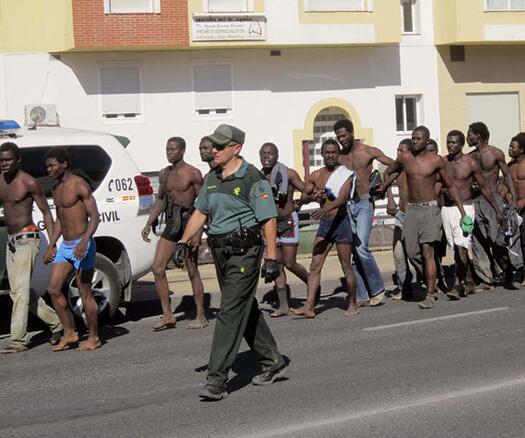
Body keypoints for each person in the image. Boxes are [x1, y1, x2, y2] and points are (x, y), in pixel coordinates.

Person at [175, 124, 287, 401]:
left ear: (235, 148)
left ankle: (217, 380)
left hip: (245, 254)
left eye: (219, 146)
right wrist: (183, 241)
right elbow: (200, 212)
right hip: (220, 253)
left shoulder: (252, 178)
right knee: (243, 307)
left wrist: (272, 257)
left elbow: (268, 219)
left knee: (228, 311)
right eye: (212, 145)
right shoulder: (211, 177)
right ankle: (272, 359)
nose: (213, 150)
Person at [376, 126, 466, 309]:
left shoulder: (436, 161)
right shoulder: (405, 158)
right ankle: (432, 277)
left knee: (427, 251)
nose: (414, 141)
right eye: (413, 138)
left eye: (418, 139)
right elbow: (390, 171)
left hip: (430, 209)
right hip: (411, 211)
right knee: (411, 252)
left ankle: (430, 294)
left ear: (426, 140)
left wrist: (462, 212)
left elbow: (451, 185)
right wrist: (385, 186)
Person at [0, 142, 62, 354]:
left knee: (20, 293)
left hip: (27, 238)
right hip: (11, 241)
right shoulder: (0, 181)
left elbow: (46, 212)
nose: (4, 164)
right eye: (1, 160)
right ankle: (58, 323)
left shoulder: (28, 182)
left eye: (8, 160)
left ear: (18, 160)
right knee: (19, 292)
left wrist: (52, 243)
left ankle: (18, 340)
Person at [141, 137, 207, 330]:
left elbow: (203, 205)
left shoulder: (193, 173)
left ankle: (201, 315)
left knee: (192, 270)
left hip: (189, 223)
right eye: (167, 149)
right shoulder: (164, 174)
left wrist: (198, 233)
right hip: (172, 223)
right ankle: (168, 316)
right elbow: (161, 200)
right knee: (158, 268)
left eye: (173, 149)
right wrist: (149, 222)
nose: (169, 152)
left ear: (182, 151)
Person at [291, 139, 358, 318]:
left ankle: (352, 303)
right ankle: (309, 307)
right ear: (322, 154)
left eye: (333, 152)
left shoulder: (346, 174)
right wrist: (314, 196)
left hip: (341, 223)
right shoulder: (316, 175)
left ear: (338, 155)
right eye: (327, 152)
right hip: (325, 224)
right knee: (315, 265)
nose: (330, 155)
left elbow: (341, 199)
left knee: (346, 265)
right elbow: (304, 196)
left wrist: (324, 208)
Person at [43, 147, 101, 351]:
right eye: (47, 166)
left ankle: (94, 337)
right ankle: (70, 332)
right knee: (53, 289)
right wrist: (51, 245)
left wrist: (85, 242)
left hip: (82, 244)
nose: (49, 169)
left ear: (64, 164)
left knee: (84, 291)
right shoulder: (56, 189)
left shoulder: (78, 184)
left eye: (52, 165)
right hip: (66, 247)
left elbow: (95, 216)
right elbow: (60, 219)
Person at [333, 119, 393, 306]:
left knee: (361, 247)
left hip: (365, 202)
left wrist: (384, 186)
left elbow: (393, 165)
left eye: (344, 135)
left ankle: (378, 289)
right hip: (347, 205)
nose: (341, 139)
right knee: (351, 251)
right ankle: (362, 295)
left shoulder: (368, 151)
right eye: (338, 137)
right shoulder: (340, 157)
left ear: (352, 132)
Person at [442, 130, 503, 299]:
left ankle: (456, 285)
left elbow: (484, 188)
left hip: (466, 210)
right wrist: (443, 191)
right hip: (447, 210)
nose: (450, 145)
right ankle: (469, 281)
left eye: (454, 143)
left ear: (461, 144)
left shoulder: (470, 163)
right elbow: (436, 184)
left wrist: (497, 210)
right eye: (448, 142)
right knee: (456, 249)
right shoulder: (443, 162)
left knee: (462, 247)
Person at [259, 142, 309, 317]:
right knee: (276, 264)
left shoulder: (288, 173)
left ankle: (313, 286)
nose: (266, 157)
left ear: (277, 156)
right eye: (263, 154)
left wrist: (300, 202)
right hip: (269, 224)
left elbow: (307, 190)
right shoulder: (258, 177)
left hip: (288, 221)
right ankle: (283, 305)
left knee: (290, 263)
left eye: (270, 153)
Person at [467, 122, 517, 288]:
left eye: (470, 134)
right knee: (478, 241)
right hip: (475, 200)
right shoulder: (470, 157)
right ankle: (486, 279)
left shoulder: (495, 153)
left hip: (493, 200)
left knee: (497, 240)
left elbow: (507, 176)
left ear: (478, 136)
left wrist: (514, 200)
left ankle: (507, 270)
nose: (468, 137)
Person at [385, 139, 412, 300]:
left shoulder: (415, 168)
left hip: (414, 215)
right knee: (398, 253)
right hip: (401, 215)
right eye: (397, 151)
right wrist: (390, 198)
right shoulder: (398, 169)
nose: (398, 154)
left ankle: (432, 283)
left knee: (417, 255)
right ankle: (404, 287)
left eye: (402, 151)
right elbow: (386, 173)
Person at [507, 132, 525, 281]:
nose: (509, 149)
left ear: (522, 149)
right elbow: (505, 187)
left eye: (513, 147)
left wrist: (521, 202)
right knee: (513, 240)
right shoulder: (509, 166)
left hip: (523, 206)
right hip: (514, 209)